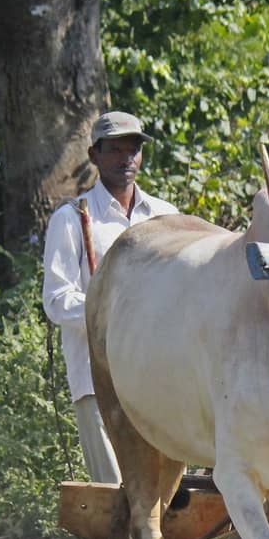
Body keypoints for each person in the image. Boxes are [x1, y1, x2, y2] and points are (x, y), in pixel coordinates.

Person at [42, 111, 178, 484]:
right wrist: (113, 312)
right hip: (97, 374)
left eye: (133, 149)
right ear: (94, 156)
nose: (126, 158)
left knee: (167, 488)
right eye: (115, 149)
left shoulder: (166, 217)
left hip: (161, 374)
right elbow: (56, 300)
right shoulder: (71, 219)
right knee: (115, 489)